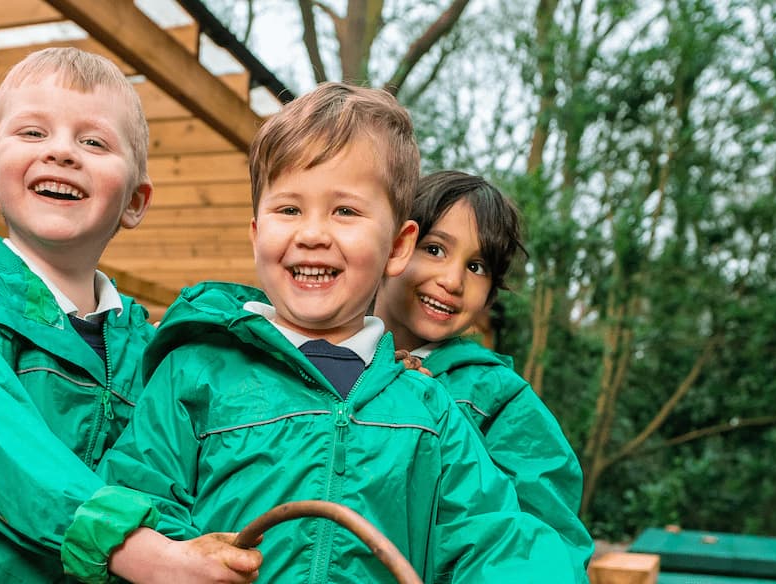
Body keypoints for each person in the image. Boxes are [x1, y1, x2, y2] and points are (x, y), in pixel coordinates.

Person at [96, 82, 573, 582]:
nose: (313, 233)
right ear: (257, 233)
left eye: (344, 211)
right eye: (289, 209)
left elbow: (494, 540)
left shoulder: (430, 410)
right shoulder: (194, 370)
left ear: (396, 247)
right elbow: (136, 497)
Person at [0, 47, 260, 583]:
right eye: (32, 133)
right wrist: (147, 556)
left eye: (93, 141)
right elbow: (0, 449)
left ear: (135, 203)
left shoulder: (146, 347)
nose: (61, 153)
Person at [374, 170, 595, 579]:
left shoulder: (503, 403)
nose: (452, 281)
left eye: (476, 266)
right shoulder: (319, 362)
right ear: (395, 246)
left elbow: (546, 543)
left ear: (491, 293)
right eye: (435, 249)